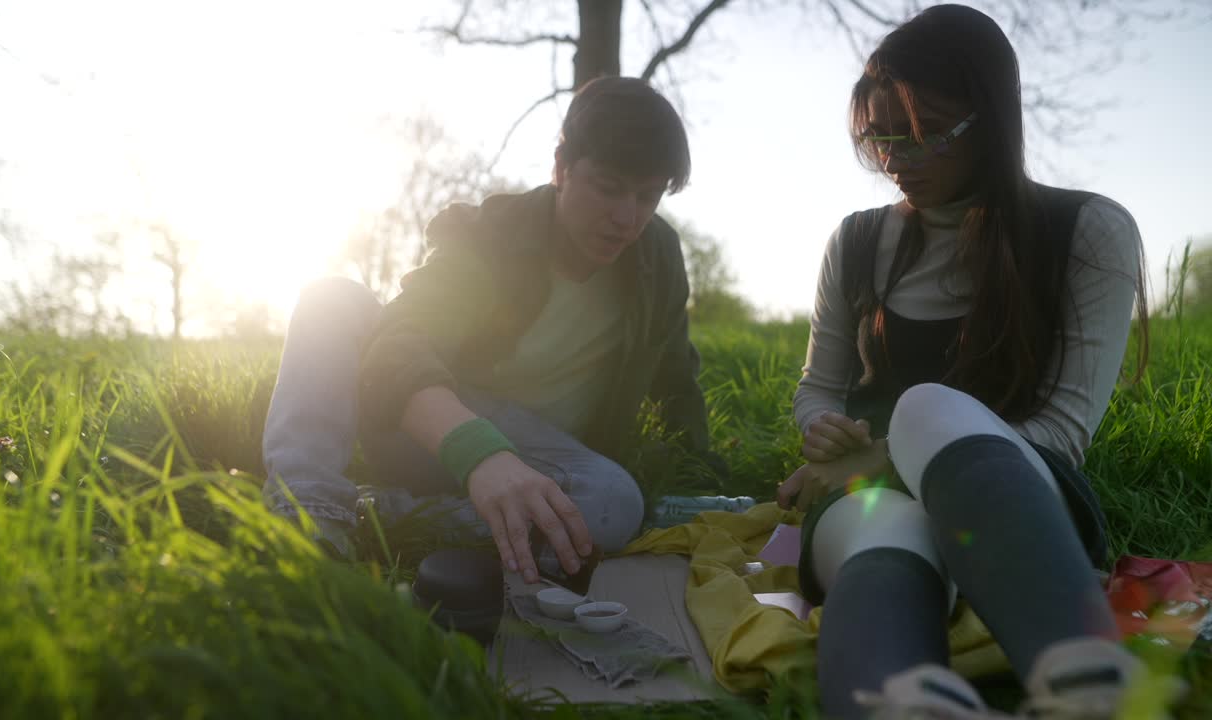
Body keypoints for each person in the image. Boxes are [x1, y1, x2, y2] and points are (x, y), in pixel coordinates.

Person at [775, 5, 1173, 718]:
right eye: (877, 140)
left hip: (1016, 494)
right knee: (885, 526)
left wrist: (879, 457)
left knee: (925, 410)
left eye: (921, 136)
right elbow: (818, 387)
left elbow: (1064, 428)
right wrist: (825, 429)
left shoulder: (1085, 231)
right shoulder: (857, 243)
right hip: (866, 497)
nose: (895, 162)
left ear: (988, 120)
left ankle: (1092, 690)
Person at [262, 76, 723, 585]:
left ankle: (379, 516)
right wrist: (482, 455)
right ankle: (310, 515)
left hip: (545, 459)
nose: (625, 218)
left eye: (647, 197)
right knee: (333, 297)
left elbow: (677, 384)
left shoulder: (658, 258)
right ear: (561, 168)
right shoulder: (488, 235)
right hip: (428, 426)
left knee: (612, 505)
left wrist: (713, 482)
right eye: (609, 188)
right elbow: (398, 346)